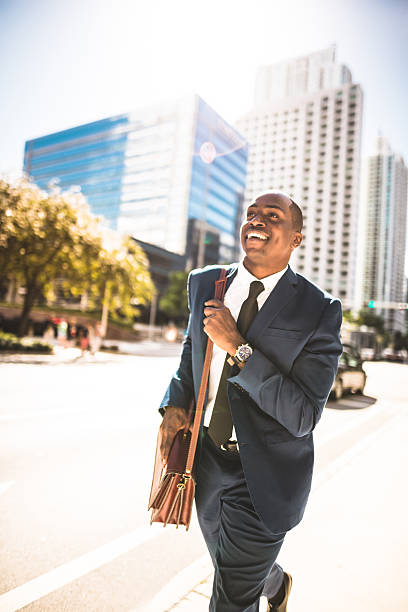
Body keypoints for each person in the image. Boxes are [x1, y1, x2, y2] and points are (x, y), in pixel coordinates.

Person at [159, 191, 343, 611]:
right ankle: (273, 580)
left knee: (231, 599)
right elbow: (192, 349)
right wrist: (175, 400)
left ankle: (262, 579)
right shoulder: (206, 282)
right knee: (230, 566)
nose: (257, 220)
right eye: (252, 213)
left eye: (273, 216)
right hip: (204, 460)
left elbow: (302, 414)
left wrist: (238, 348)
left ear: (296, 239)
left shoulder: (319, 309)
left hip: (265, 476)